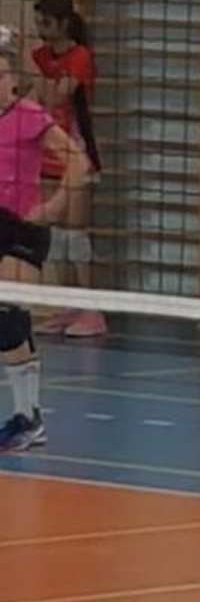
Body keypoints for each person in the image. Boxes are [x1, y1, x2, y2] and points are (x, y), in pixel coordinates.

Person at [0, 26, 92, 452]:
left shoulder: (29, 115)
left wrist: (54, 207)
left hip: (22, 229)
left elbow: (78, 162)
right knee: (10, 321)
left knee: (8, 316)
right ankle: (27, 417)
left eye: (2, 75)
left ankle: (28, 419)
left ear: (12, 80)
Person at [31, 0, 105, 338]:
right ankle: (67, 305)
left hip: (77, 152)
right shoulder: (39, 56)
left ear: (63, 23)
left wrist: (33, 72)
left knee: (76, 233)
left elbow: (55, 96)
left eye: (46, 22)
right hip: (48, 153)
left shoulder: (80, 57)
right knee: (56, 234)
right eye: (38, 22)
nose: (40, 29)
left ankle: (92, 311)